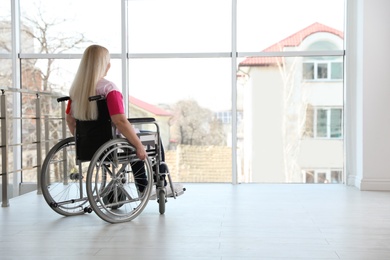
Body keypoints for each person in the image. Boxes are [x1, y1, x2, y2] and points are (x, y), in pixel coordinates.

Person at [65, 44, 149, 191]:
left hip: (89, 143)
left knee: (135, 141)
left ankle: (139, 185)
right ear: (106, 65)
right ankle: (150, 185)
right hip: (114, 141)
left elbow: (70, 120)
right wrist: (139, 145)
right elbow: (120, 121)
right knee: (149, 140)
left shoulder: (76, 90)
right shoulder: (109, 88)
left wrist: (83, 139)